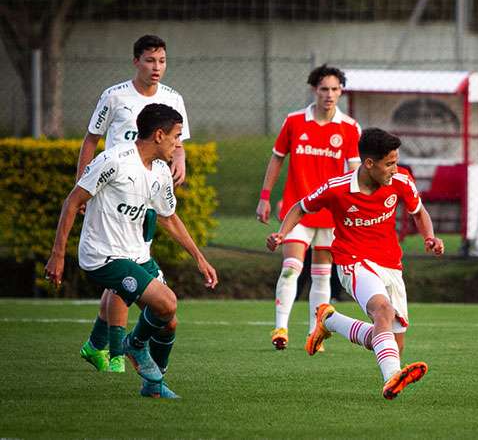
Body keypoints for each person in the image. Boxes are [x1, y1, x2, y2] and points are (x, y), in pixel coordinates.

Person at [45, 103, 217, 398]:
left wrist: (199, 258)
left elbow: (168, 217)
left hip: (137, 254)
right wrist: (58, 254)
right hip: (103, 255)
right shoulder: (113, 160)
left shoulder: (161, 172)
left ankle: (153, 386)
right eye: (176, 137)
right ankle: (133, 345)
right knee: (167, 302)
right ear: (159, 135)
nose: (179, 145)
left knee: (168, 322)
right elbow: (72, 202)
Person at [267, 128, 445, 400]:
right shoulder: (337, 189)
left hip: (390, 265)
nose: (394, 169)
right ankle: (391, 379)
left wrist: (430, 237)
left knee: (391, 344)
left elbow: (418, 212)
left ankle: (331, 320)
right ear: (369, 164)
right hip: (353, 261)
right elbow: (301, 207)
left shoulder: (401, 180)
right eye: (389, 164)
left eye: (396, 162)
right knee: (382, 310)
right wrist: (282, 233)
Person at [75, 34, 191, 374]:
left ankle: (100, 346)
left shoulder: (173, 99)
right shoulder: (114, 96)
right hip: (115, 193)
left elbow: (178, 141)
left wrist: (180, 159)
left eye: (162, 61)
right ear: (136, 62)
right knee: (124, 269)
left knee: (131, 269)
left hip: (149, 194)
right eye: (150, 61)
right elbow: (91, 140)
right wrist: (82, 186)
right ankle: (115, 352)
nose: (157, 68)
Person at [256, 64, 361, 350]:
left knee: (322, 275)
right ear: (314, 90)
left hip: (330, 215)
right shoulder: (294, 122)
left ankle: (316, 331)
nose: (329, 95)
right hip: (297, 210)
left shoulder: (350, 128)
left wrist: (356, 208)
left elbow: (356, 173)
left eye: (335, 89)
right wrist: (265, 196)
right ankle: (280, 328)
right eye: (324, 89)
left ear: (341, 92)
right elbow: (277, 158)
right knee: (291, 267)